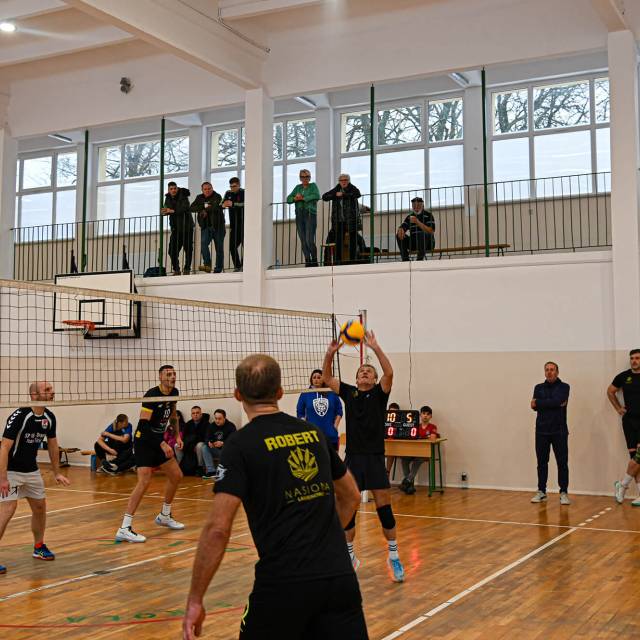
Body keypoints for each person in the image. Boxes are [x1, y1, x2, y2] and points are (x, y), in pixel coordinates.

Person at [182, 354, 366, 640]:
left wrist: (195, 599)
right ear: (280, 392)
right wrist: (320, 541)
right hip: (339, 578)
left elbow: (218, 528)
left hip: (284, 582)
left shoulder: (240, 444)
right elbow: (352, 496)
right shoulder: (313, 433)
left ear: (237, 394)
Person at [322, 331, 405, 582]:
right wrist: (330, 353)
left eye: (369, 371)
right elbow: (327, 377)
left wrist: (376, 347)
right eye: (361, 372)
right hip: (354, 458)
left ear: (374, 379)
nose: (365, 373)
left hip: (375, 457)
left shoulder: (380, 393)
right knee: (348, 507)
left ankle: (394, 557)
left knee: (384, 508)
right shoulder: (349, 393)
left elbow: (389, 373)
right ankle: (349, 557)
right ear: (357, 379)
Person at [0, 381, 71, 574]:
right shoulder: (20, 415)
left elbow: (53, 445)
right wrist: (3, 477)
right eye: (47, 390)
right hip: (11, 471)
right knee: (8, 509)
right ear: (34, 395)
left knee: (40, 507)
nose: (52, 392)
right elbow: (4, 447)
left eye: (51, 389)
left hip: (31, 470)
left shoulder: (49, 417)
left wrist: (57, 472)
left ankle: (39, 547)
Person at [115, 365, 185, 543]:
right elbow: (144, 425)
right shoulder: (151, 395)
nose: (172, 377)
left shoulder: (174, 392)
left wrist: (177, 436)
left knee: (176, 475)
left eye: (174, 374)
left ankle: (165, 516)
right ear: (160, 377)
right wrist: (162, 443)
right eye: (168, 374)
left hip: (158, 441)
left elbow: (173, 416)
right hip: (144, 441)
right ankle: (124, 528)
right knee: (144, 481)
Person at [530, 362, 571, 505]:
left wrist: (540, 402)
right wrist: (552, 403)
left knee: (562, 463)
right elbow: (534, 406)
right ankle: (541, 491)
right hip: (541, 431)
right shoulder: (538, 387)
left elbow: (557, 401)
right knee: (541, 463)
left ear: (557, 372)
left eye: (552, 369)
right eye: (547, 370)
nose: (549, 372)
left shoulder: (564, 387)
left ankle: (563, 492)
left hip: (559, 431)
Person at [610, 349, 640, 506]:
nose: (634, 361)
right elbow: (610, 391)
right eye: (632, 358)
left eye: (637, 358)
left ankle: (622, 484)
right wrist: (618, 408)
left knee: (639, 457)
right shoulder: (623, 376)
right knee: (634, 457)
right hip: (629, 421)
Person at [297, 369, 343, 450]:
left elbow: (339, 410)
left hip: (330, 435)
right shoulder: (305, 394)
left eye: (319, 377)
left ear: (323, 379)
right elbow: (300, 412)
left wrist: (335, 426)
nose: (316, 379)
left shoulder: (331, 393)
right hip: (312, 436)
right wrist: (305, 427)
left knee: (332, 458)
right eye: (314, 377)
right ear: (311, 380)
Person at [322, 174, 362, 265]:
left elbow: (357, 194)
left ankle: (353, 261)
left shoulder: (352, 188)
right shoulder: (336, 189)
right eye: (341, 180)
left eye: (345, 180)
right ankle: (338, 261)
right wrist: (335, 195)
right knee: (338, 241)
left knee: (353, 241)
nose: (343, 182)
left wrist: (343, 194)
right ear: (339, 182)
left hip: (351, 220)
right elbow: (324, 197)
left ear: (348, 181)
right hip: (339, 220)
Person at [399, 406, 439, 495]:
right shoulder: (416, 426)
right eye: (423, 414)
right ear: (420, 415)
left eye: (428, 414)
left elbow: (432, 438)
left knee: (419, 458)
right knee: (404, 458)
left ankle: (407, 481)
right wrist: (426, 437)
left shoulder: (432, 427)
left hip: (424, 453)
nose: (425, 416)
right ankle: (409, 485)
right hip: (412, 451)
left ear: (431, 416)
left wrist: (425, 437)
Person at [287, 169, 320, 267]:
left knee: (309, 240)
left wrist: (303, 198)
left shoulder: (313, 186)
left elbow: (317, 195)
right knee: (303, 240)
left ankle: (314, 260)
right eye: (302, 177)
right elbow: (288, 199)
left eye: (306, 177)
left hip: (310, 214)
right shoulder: (297, 187)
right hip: (299, 215)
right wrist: (294, 198)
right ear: (300, 178)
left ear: (309, 178)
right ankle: (307, 261)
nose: (305, 179)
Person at [190, 182, 224, 273]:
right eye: (205, 189)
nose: (207, 190)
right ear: (202, 190)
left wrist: (205, 209)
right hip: (205, 226)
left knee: (219, 248)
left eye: (209, 188)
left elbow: (217, 207)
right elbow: (191, 208)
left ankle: (218, 269)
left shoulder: (217, 196)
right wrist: (204, 207)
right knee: (203, 245)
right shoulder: (199, 197)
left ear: (212, 188)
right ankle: (207, 265)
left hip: (218, 226)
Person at [162, 181, 193, 276]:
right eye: (171, 189)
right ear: (168, 190)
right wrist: (164, 211)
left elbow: (185, 208)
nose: (173, 190)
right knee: (171, 251)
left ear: (177, 188)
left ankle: (187, 269)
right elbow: (166, 208)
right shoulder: (167, 197)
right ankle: (176, 269)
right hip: (175, 228)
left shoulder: (183, 195)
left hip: (187, 227)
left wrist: (172, 211)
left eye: (175, 188)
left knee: (188, 249)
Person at [396, 197, 436, 261]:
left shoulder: (429, 215)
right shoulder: (410, 217)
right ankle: (405, 259)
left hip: (428, 243)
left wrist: (417, 222)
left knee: (421, 234)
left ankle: (419, 259)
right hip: (414, 243)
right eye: (414, 205)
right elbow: (404, 226)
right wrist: (400, 229)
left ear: (423, 205)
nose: (416, 207)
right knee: (399, 234)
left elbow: (431, 231)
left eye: (418, 205)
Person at [201, 409, 237, 480]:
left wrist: (223, 443)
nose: (217, 421)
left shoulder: (231, 426)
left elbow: (234, 441)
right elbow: (206, 438)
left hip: (226, 451)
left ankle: (225, 472)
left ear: (224, 418)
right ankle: (211, 471)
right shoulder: (211, 426)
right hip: (215, 449)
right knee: (204, 447)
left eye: (219, 419)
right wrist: (209, 442)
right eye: (216, 418)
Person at [177, 407, 210, 476]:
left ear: (201, 414)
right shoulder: (188, 424)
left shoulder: (206, 424)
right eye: (193, 413)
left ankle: (200, 467)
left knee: (199, 445)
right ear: (191, 415)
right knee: (177, 445)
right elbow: (185, 438)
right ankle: (181, 466)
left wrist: (195, 444)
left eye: (197, 413)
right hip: (189, 445)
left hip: (200, 444)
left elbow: (206, 438)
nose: (195, 415)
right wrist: (190, 446)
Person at [222, 177, 244, 272]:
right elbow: (221, 203)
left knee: (246, 246)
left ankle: (244, 266)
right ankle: (237, 266)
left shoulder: (244, 192)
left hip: (244, 224)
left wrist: (233, 204)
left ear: (239, 185)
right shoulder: (228, 193)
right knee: (232, 246)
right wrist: (223, 205)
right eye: (231, 186)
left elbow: (246, 204)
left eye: (234, 186)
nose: (232, 188)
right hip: (233, 225)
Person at [385, 402, 400, 475]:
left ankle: (387, 472)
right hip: (383, 444)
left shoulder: (400, 422)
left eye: (395, 412)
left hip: (394, 446)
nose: (393, 414)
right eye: (391, 412)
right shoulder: (383, 419)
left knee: (391, 451)